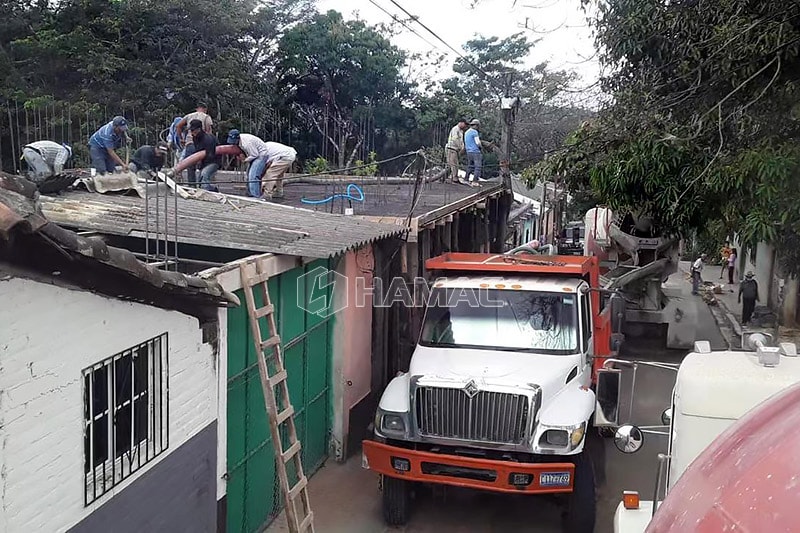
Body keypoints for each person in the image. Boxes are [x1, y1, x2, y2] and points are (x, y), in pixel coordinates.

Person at [226, 129, 272, 198]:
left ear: (238, 138)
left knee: (253, 175)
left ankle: (255, 196)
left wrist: (245, 160)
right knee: (248, 175)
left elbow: (255, 154)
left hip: (261, 155)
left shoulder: (246, 143)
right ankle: (250, 193)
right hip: (254, 154)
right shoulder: (240, 142)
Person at [187, 119, 219, 191]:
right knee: (200, 182)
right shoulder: (195, 138)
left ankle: (212, 191)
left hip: (213, 161)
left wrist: (200, 161)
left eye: (193, 130)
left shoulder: (208, 139)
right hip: (204, 162)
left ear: (199, 129)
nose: (191, 132)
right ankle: (212, 190)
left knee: (204, 176)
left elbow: (211, 155)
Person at [444, 119, 468, 183]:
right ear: (461, 123)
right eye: (465, 124)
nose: (465, 126)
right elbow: (455, 139)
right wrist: (460, 147)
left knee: (455, 164)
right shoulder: (455, 129)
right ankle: (454, 178)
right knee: (452, 164)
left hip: (456, 149)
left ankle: (452, 177)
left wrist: (462, 147)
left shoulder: (461, 131)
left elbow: (461, 140)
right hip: (451, 148)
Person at [463, 119, 483, 187]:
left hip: (468, 151)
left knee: (470, 166)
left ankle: (466, 179)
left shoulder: (466, 132)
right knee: (478, 167)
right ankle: (475, 181)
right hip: (475, 151)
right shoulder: (474, 132)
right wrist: (480, 147)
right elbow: (477, 142)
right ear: (475, 125)